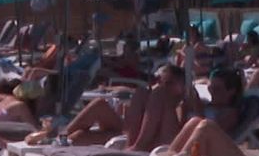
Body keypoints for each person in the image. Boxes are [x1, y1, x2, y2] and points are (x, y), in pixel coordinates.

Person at [25, 63, 193, 150]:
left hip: (148, 144)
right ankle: (57, 137)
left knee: (78, 138)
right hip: (130, 135)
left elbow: (179, 134)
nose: (161, 86)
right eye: (159, 82)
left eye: (169, 83)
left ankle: (55, 138)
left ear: (182, 85)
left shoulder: (181, 102)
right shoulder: (155, 96)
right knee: (97, 107)